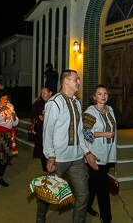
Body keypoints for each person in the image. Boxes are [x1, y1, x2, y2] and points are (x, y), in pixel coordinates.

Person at [37, 69, 99, 223]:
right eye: (75, 79)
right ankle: (40, 219)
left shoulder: (77, 103)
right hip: (58, 158)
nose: (79, 82)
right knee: (49, 193)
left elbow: (79, 132)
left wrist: (87, 152)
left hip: (77, 158)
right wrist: (50, 155)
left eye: (78, 79)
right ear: (65, 81)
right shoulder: (54, 102)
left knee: (83, 194)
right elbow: (48, 131)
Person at [82, 85, 116, 223]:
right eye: (100, 94)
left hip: (107, 153)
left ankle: (87, 206)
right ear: (94, 96)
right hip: (95, 155)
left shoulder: (110, 110)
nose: (103, 96)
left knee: (93, 184)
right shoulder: (90, 113)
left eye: (105, 93)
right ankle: (106, 218)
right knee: (103, 188)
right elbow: (84, 134)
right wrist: (104, 134)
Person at [0, 89, 18, 187]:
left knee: (5, 158)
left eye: (6, 98)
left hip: (7, 134)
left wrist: (14, 117)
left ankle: (0, 177)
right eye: (3, 98)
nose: (5, 100)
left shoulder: (10, 106)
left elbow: (15, 123)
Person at [30, 87, 53, 172]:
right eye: (41, 93)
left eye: (44, 93)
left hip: (51, 131)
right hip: (41, 130)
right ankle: (45, 168)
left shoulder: (54, 103)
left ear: (50, 93)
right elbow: (33, 113)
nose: (42, 95)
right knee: (42, 148)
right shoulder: (39, 103)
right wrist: (38, 116)